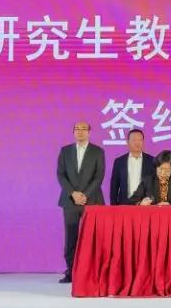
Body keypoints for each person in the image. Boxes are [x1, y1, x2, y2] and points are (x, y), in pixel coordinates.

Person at [56, 121, 105, 284]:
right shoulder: (65, 151)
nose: (80, 132)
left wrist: (85, 195)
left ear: (89, 132)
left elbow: (99, 176)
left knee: (93, 238)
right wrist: (73, 193)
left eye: (84, 129)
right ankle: (71, 272)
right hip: (70, 201)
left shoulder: (98, 151)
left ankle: (93, 272)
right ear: (73, 132)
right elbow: (61, 175)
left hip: (92, 201)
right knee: (71, 237)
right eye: (77, 129)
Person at [109, 128, 154, 205]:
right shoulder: (119, 161)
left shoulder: (152, 161)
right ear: (128, 142)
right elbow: (114, 186)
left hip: (145, 204)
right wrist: (113, 205)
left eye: (140, 140)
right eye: (134, 140)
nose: (137, 142)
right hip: (124, 204)